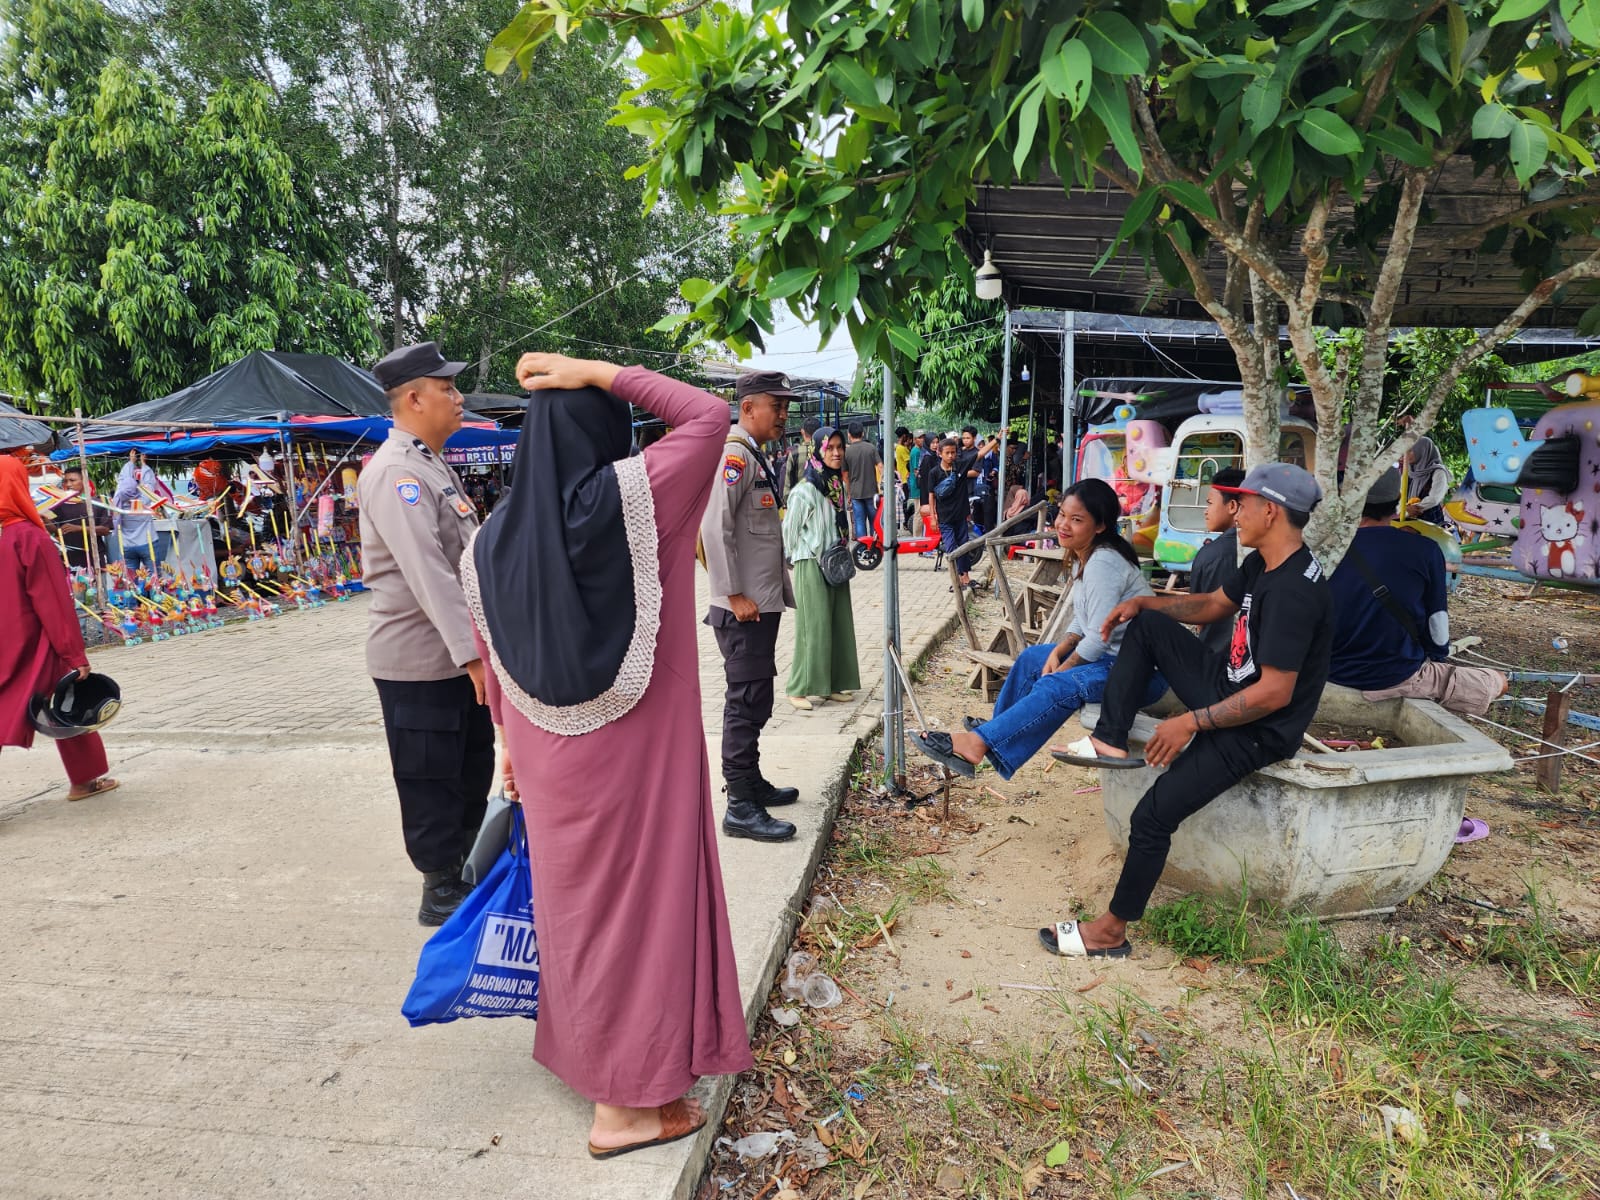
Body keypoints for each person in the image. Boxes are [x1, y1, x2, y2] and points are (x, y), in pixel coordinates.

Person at [464, 351, 752, 1162]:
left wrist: (509, 755)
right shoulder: (631, 499)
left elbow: (495, 664)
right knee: (646, 914)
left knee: (583, 922)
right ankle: (623, 1110)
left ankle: (622, 1077)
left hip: (548, 761)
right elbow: (705, 414)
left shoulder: (488, 543)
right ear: (604, 433)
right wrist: (592, 369)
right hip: (637, 753)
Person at [1051, 463, 1333, 959]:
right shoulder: (1265, 560)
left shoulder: (1293, 590)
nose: (1233, 510)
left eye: (1241, 503)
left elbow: (1274, 694)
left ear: (1269, 510)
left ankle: (1110, 932)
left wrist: (1190, 722)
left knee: (1153, 816)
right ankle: (1110, 737)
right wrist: (1147, 606)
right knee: (1146, 627)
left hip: (1258, 728)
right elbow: (1212, 606)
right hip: (1228, 684)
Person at [359, 341, 493, 926]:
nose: (458, 398)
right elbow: (428, 572)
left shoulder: (430, 465)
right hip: (420, 660)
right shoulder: (395, 473)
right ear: (414, 398)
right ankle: (439, 889)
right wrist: (473, 654)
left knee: (470, 766)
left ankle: (460, 867)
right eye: (448, 388)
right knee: (430, 773)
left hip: (455, 654)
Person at [909, 478, 1166, 779]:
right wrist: (1059, 649)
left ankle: (978, 743)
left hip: (1138, 674)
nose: (1063, 525)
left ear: (1100, 526)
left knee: (1055, 684)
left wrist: (1066, 665)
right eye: (1062, 515)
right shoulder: (1086, 556)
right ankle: (996, 731)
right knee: (1033, 659)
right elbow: (1084, 619)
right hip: (1109, 659)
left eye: (1077, 519)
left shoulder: (1103, 563)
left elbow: (1097, 637)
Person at [700, 370, 800, 843]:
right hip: (744, 607)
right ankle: (739, 805)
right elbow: (712, 526)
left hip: (759, 601)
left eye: (784, 406)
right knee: (743, 701)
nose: (782, 414)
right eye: (774, 406)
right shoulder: (735, 456)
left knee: (757, 693)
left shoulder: (754, 453)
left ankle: (751, 783)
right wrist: (733, 592)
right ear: (746, 408)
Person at [1328, 467, 1506, 715]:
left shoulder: (1325, 550)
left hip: (1327, 671)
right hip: (1396, 675)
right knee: (1499, 679)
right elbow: (1437, 624)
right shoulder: (1425, 549)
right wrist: (1436, 656)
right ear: (1396, 504)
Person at [0, 457, 119, 800]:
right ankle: (85, 780)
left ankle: (85, 780)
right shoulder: (28, 537)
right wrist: (74, 653)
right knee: (69, 701)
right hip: (34, 642)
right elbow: (52, 601)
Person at [782, 427, 861, 711]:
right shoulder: (805, 490)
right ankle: (798, 687)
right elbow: (789, 532)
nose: (837, 453)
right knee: (813, 628)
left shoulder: (835, 485)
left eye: (840, 447)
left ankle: (831, 685)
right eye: (830, 448)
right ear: (817, 451)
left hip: (836, 563)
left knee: (838, 625)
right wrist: (803, 556)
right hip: (812, 565)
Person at [1186, 466, 1245, 657]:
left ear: (1232, 507)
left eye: (1210, 503)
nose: (1206, 511)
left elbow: (1199, 615)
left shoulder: (1211, 555)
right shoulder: (1263, 551)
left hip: (1213, 658)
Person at [928, 433, 999, 590]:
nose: (951, 455)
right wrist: (933, 517)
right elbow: (931, 495)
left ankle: (965, 578)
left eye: (953, 452)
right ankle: (957, 579)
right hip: (945, 518)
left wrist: (996, 440)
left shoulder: (960, 465)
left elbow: (979, 454)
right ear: (939, 453)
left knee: (964, 545)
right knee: (952, 548)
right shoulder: (934, 473)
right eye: (947, 453)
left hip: (961, 515)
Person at [45, 466, 110, 571]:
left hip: (95, 557)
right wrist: (44, 519)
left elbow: (105, 530)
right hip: (69, 559)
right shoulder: (60, 504)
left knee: (98, 586)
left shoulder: (97, 503)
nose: (68, 484)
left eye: (72, 480)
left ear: (84, 481)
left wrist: (79, 528)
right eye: (66, 481)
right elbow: (56, 531)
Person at [112, 449, 162, 580]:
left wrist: (131, 462)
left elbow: (123, 481)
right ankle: (156, 600)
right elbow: (149, 483)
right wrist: (143, 464)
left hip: (127, 546)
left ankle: (133, 601)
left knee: (130, 581)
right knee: (154, 578)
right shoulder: (143, 500)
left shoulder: (119, 500)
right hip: (147, 543)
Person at [843, 421, 881, 541]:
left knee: (859, 522)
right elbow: (881, 466)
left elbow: (845, 475)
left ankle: (862, 549)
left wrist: (849, 493)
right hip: (872, 492)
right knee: (874, 521)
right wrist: (881, 485)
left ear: (849, 434)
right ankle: (875, 547)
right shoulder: (871, 448)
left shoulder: (847, 452)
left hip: (855, 493)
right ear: (863, 433)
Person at [1404, 434, 1451, 525]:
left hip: (1431, 521)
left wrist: (1413, 508)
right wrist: (1405, 509)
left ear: (1422, 450)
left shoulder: (1438, 472)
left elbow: (1434, 499)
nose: (1406, 454)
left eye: (1410, 451)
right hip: (1411, 521)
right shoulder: (1411, 472)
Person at [785, 415, 823, 494]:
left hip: (800, 501)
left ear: (802, 432)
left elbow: (787, 485)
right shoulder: (826, 453)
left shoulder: (794, 454)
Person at [894, 426, 914, 531]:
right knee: (907, 502)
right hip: (906, 478)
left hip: (903, 477)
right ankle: (906, 523)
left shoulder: (899, 447)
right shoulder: (901, 448)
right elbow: (909, 461)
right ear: (904, 436)